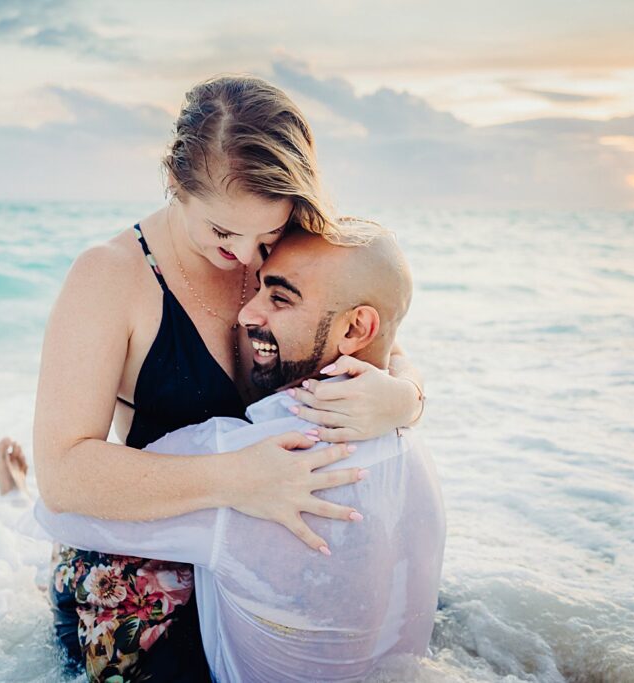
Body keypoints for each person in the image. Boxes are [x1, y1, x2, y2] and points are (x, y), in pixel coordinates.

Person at [33, 75, 426, 682]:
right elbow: (62, 473)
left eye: (267, 236)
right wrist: (239, 478)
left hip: (265, 563)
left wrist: (403, 395)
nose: (248, 258)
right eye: (223, 233)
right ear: (174, 184)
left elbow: (376, 327)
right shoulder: (110, 278)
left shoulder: (294, 240)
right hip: (149, 562)